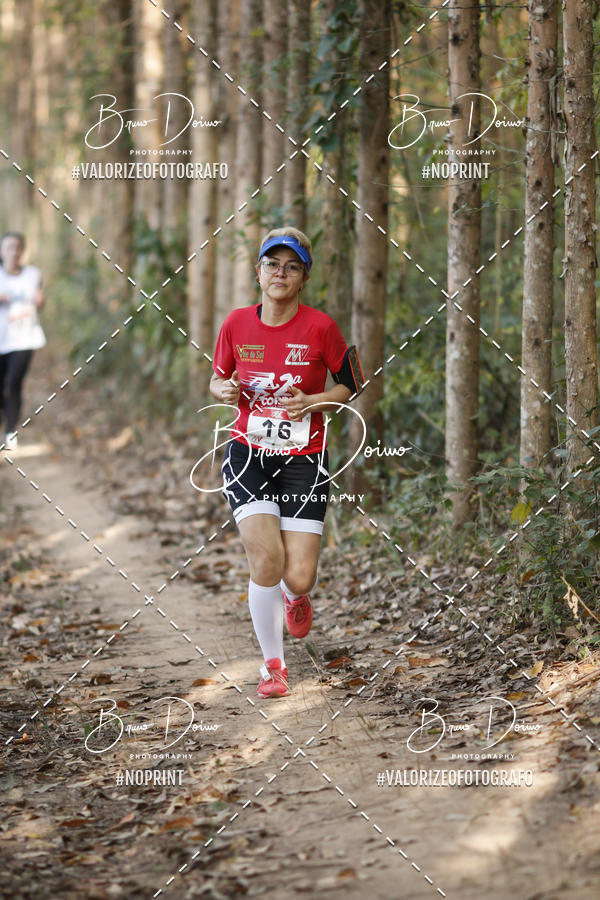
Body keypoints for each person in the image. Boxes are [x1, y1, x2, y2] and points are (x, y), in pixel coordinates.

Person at [209, 227, 364, 699]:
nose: (280, 273)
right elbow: (217, 380)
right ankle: (273, 667)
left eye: (291, 266)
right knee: (266, 560)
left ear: (303, 278)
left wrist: (315, 400)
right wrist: (225, 390)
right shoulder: (236, 323)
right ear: (258, 273)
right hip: (247, 454)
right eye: (271, 264)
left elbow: (351, 383)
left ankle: (296, 597)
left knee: (298, 575)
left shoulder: (321, 328)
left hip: (305, 460)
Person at [0, 232, 46, 450]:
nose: (13, 252)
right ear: (2, 251)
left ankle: (10, 432)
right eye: (8, 247)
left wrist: (40, 300)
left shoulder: (33, 274)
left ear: (22, 251)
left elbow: (40, 300)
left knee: (14, 383)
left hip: (24, 340)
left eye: (17, 247)